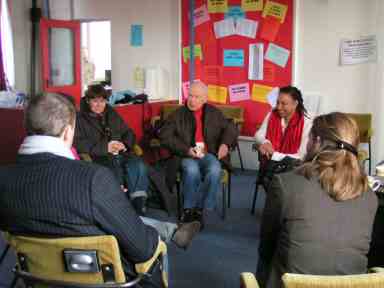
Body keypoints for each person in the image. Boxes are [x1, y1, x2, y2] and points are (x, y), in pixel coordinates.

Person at [0, 93, 199, 287]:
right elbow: (142, 249)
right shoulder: (94, 179)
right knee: (154, 247)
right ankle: (170, 232)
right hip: (102, 276)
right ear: (68, 132)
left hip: (37, 276)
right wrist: (152, 234)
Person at [256, 112, 378, 288]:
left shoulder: (285, 184)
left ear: (317, 141)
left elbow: (266, 246)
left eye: (309, 138)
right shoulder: (370, 197)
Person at [159, 81, 238, 225]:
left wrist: (225, 144)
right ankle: (188, 209)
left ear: (204, 99)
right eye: (190, 96)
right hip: (186, 154)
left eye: (196, 97)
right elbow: (165, 136)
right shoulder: (178, 114)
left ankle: (199, 208)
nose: (192, 100)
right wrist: (186, 150)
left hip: (208, 153)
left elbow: (231, 127)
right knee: (191, 170)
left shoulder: (213, 113)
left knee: (215, 169)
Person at [74, 84, 148, 214]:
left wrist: (124, 144)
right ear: (87, 100)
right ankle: (120, 209)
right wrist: (105, 147)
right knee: (113, 172)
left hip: (121, 153)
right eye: (95, 101)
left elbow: (128, 132)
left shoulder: (111, 113)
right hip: (99, 157)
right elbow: (78, 143)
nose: (99, 105)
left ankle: (138, 204)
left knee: (138, 165)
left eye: (102, 101)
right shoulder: (79, 118)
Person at [255, 86, 312, 162]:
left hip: (294, 168)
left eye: (283, 104)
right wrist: (265, 142)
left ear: (295, 104)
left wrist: (274, 155)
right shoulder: (272, 115)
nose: (278, 107)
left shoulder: (307, 122)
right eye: (277, 102)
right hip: (270, 166)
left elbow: (302, 155)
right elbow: (259, 134)